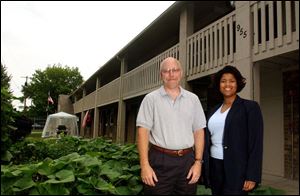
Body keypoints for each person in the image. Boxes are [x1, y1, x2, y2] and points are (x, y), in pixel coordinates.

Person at [136, 57, 207, 195]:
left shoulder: (193, 99)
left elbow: (199, 131)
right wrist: (144, 165)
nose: (171, 74)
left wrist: (198, 162)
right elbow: (142, 132)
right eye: (166, 71)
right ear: (161, 75)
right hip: (159, 161)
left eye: (175, 70)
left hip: (187, 162)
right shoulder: (151, 99)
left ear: (180, 73)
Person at [203, 65, 263, 195]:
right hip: (215, 166)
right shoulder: (213, 110)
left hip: (237, 167)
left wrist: (252, 175)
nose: (227, 84)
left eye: (232, 81)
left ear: (238, 84)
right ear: (219, 85)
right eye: (223, 81)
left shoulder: (250, 107)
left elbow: (256, 143)